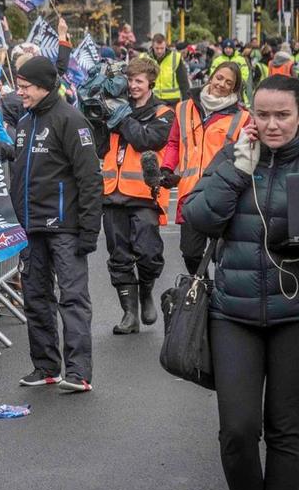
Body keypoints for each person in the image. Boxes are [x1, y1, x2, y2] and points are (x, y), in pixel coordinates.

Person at [182, 75, 299, 490]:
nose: (271, 125)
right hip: (233, 312)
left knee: (286, 434)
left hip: (294, 314)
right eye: (263, 114)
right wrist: (236, 168)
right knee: (237, 430)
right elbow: (198, 218)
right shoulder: (233, 155)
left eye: (283, 115)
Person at [10, 56, 103, 392]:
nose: (20, 93)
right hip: (31, 228)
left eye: (26, 87)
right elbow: (19, 176)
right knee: (35, 297)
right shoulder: (24, 124)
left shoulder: (71, 120)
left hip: (65, 227)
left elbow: (90, 178)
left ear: (45, 86)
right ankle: (46, 367)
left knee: (73, 298)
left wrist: (89, 229)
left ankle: (78, 372)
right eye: (18, 86)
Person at [99, 57, 174, 334]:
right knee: (118, 255)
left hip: (144, 194)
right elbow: (98, 146)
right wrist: (97, 109)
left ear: (150, 83)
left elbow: (147, 141)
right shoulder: (117, 107)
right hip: (113, 193)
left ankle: (146, 293)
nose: (132, 86)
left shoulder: (164, 113)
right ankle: (129, 314)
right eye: (129, 80)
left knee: (149, 253)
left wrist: (123, 118)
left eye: (138, 81)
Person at [160, 62, 250, 274]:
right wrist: (166, 168)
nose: (222, 84)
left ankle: (219, 294)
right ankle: (203, 288)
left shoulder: (243, 118)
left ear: (235, 89)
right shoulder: (183, 108)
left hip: (223, 193)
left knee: (223, 254)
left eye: (229, 82)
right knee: (190, 253)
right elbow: (174, 143)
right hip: (191, 194)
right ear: (211, 76)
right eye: (219, 77)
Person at [142, 33, 190, 104]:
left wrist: (186, 101)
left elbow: (183, 82)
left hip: (172, 101)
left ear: (166, 46)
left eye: (162, 48)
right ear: (152, 46)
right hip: (151, 99)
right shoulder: (144, 58)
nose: (159, 51)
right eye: (157, 48)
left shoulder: (175, 57)